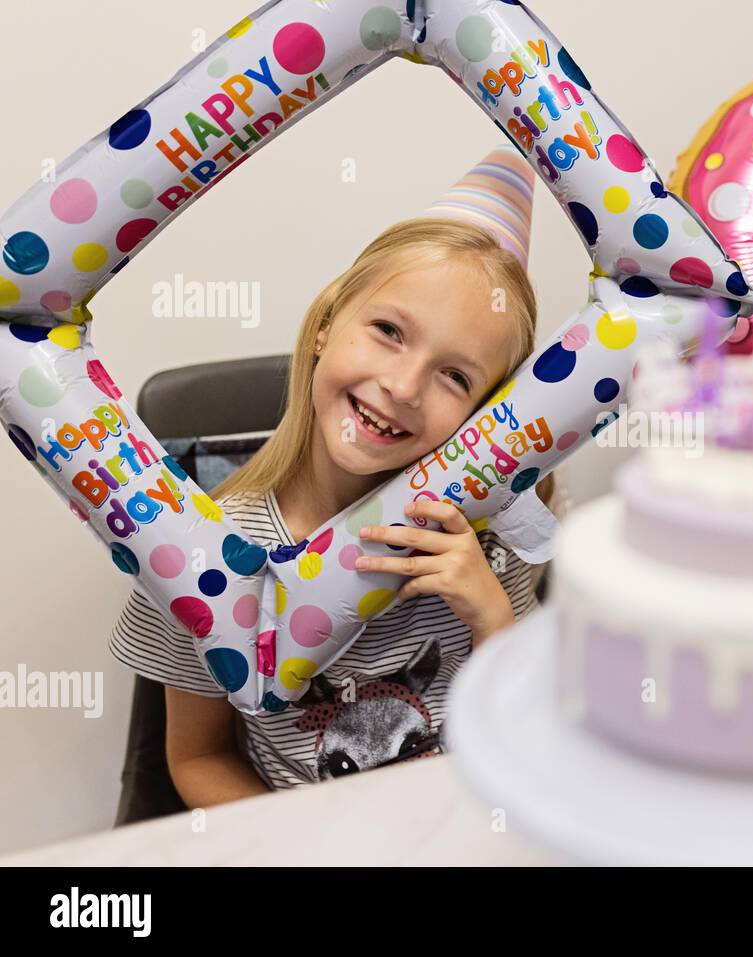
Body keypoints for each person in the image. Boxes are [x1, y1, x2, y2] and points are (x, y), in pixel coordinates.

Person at [109, 145, 558, 803]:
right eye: (388, 330)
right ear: (325, 325)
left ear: (484, 414)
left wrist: (491, 616)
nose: (403, 386)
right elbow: (197, 756)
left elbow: (529, 748)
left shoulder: (484, 547)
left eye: (455, 375)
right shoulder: (199, 552)